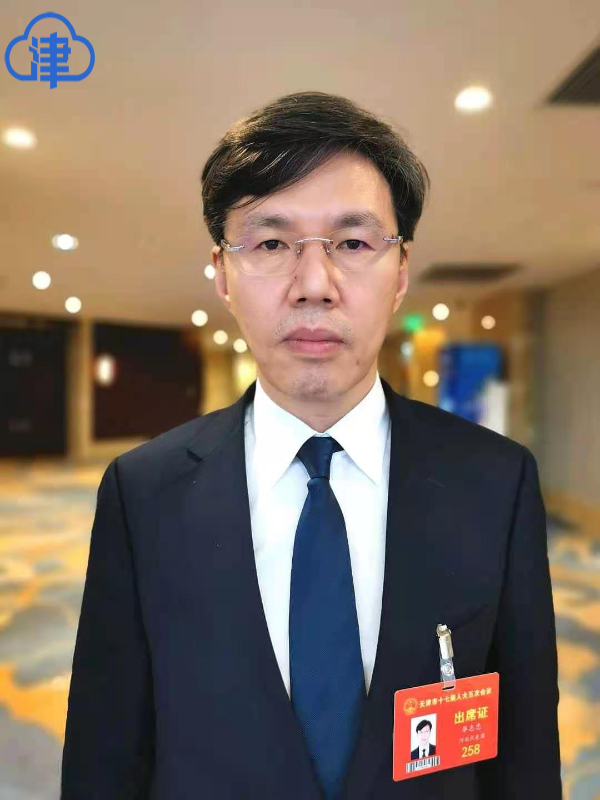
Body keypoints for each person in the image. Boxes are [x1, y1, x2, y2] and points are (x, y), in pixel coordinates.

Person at [60, 90, 562, 799]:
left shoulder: (495, 482)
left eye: (353, 244)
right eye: (271, 244)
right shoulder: (142, 492)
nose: (314, 286)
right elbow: (105, 753)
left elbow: (526, 756)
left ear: (401, 272)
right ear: (222, 272)